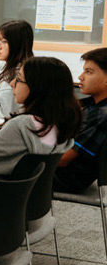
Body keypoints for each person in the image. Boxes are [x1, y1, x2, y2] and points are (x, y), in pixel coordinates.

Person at [0, 57, 79, 176]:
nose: (12, 83)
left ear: (38, 88)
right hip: (27, 192)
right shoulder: (60, 125)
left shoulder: (21, 125)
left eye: (19, 79)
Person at [54, 48, 107, 193]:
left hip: (66, 178)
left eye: (89, 72)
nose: (80, 77)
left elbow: (64, 159)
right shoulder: (92, 104)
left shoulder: (101, 114)